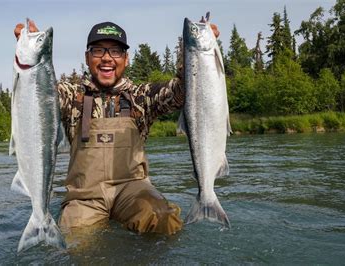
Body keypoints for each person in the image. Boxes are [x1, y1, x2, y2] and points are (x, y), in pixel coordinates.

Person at [14, 20, 219, 236]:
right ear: (87, 58)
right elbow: (37, 98)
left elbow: (181, 91)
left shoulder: (142, 96)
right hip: (85, 196)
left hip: (132, 190)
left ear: (126, 59)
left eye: (115, 51)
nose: (106, 58)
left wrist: (198, 52)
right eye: (98, 50)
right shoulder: (70, 96)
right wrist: (32, 52)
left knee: (163, 218)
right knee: (74, 241)